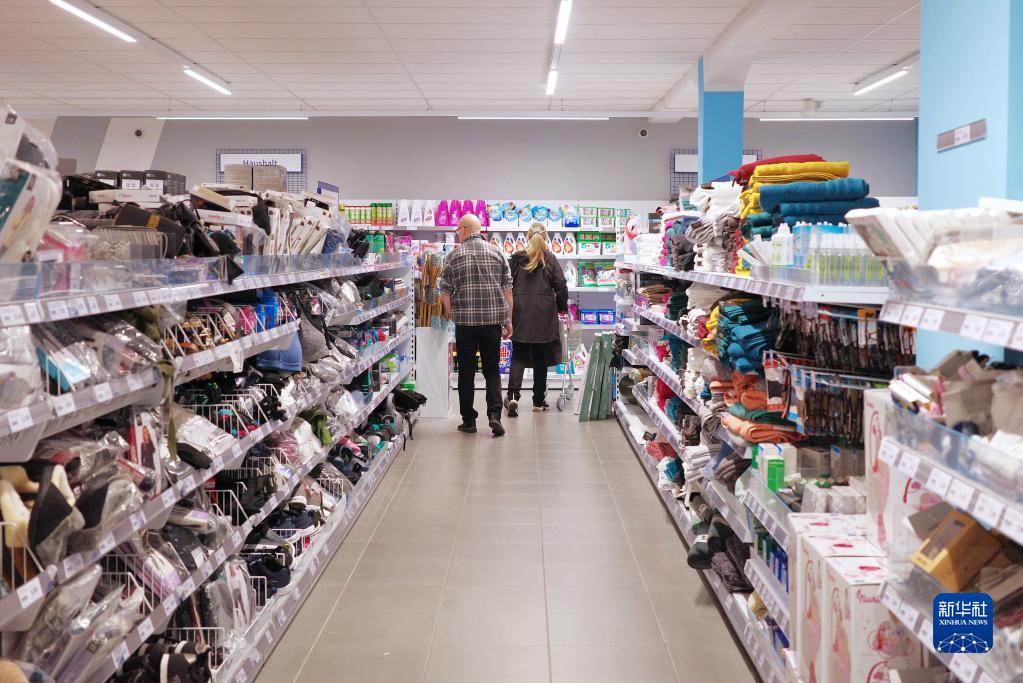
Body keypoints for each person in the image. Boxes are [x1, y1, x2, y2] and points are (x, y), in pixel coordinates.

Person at [439, 213, 513, 437]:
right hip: (492, 322)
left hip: (466, 324)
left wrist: (452, 314)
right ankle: (494, 415)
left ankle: (469, 420)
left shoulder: (453, 256)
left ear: (464, 230)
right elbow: (508, 291)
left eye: (457, 231)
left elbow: (445, 292)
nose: (457, 235)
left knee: (466, 371)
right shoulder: (497, 253)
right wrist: (508, 320)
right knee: (492, 370)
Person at [505, 222, 569, 416]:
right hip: (543, 313)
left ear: (528, 237)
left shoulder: (516, 259)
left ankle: (513, 396)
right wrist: (562, 307)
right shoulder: (550, 258)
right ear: (546, 237)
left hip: (520, 312)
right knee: (541, 356)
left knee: (519, 354)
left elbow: (506, 285)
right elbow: (561, 285)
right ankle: (538, 401)